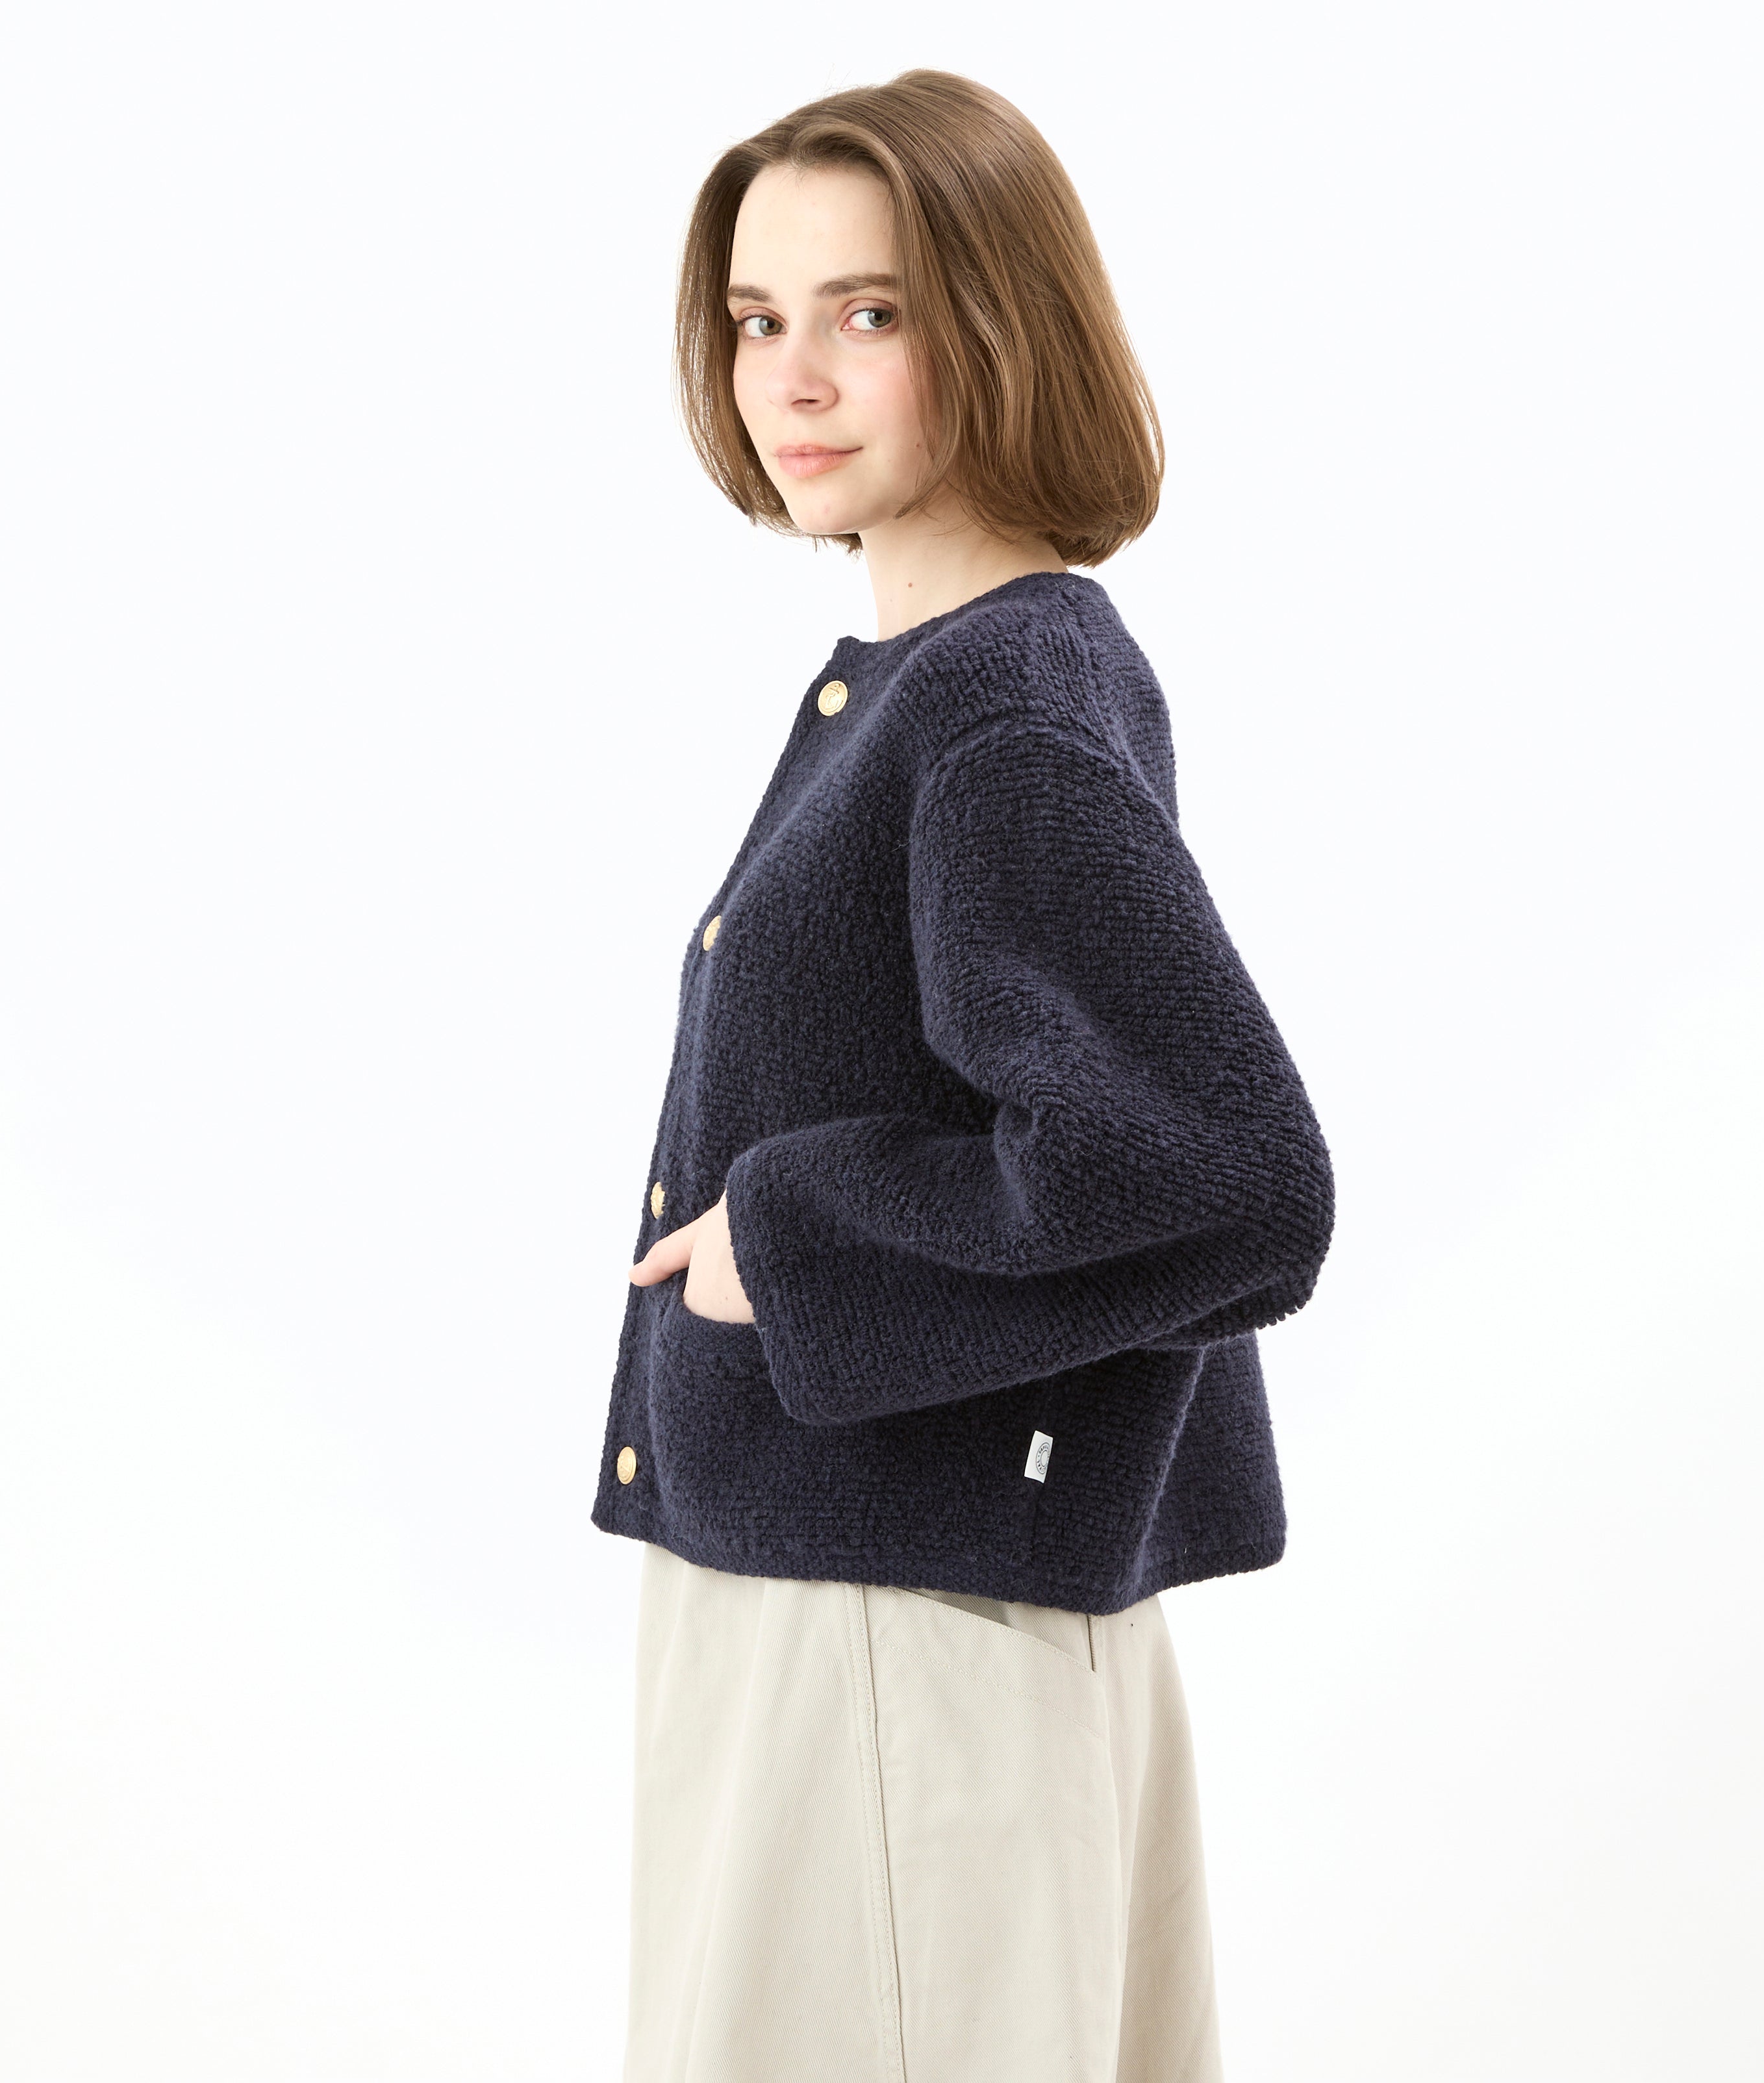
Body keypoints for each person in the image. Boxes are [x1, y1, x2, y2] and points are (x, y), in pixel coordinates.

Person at [594, 68, 1334, 2083]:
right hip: (876, 1600)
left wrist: (791, 1238)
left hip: (892, 1638)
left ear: (1002, 326)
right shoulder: (953, 678)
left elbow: (1230, 1179)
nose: (791, 377)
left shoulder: (999, 707)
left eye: (870, 312)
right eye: (758, 318)